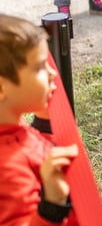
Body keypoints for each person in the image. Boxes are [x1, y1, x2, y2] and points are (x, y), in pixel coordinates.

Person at [0, 14, 79, 225]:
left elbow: (31, 151)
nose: (52, 73)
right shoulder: (7, 169)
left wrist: (44, 124)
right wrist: (52, 206)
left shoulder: (12, 129)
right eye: (39, 67)